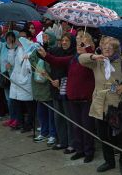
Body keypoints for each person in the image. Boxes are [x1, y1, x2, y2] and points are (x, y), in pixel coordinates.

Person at [38, 32, 96, 162]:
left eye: (82, 43)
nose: (79, 45)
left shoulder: (89, 57)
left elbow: (90, 54)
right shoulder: (73, 58)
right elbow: (57, 61)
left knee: (87, 127)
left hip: (86, 98)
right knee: (76, 125)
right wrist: (45, 55)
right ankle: (79, 149)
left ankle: (89, 152)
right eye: (77, 42)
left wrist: (86, 45)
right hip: (73, 98)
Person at [78, 37, 122, 174]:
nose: (107, 48)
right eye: (104, 46)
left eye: (110, 46)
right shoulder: (97, 62)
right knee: (103, 136)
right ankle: (109, 161)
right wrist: (94, 56)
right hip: (100, 104)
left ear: (116, 48)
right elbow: (81, 59)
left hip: (117, 105)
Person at [48, 33, 76, 152]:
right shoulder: (56, 51)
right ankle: (62, 141)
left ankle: (72, 143)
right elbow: (47, 56)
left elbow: (70, 72)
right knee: (58, 117)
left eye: (67, 40)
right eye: (62, 40)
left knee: (69, 117)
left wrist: (59, 80)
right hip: (55, 87)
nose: (64, 42)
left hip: (67, 89)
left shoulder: (74, 54)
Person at [31, 30, 57, 144]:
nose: (45, 38)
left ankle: (52, 134)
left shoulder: (54, 50)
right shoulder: (38, 48)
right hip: (38, 84)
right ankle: (44, 132)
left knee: (51, 113)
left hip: (49, 85)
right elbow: (32, 60)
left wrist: (45, 63)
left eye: (47, 36)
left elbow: (54, 65)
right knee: (41, 111)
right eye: (44, 36)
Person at [0, 31, 18, 127]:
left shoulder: (16, 48)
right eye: (8, 36)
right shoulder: (2, 46)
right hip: (4, 76)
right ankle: (12, 117)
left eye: (11, 37)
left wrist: (10, 64)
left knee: (13, 99)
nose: (9, 39)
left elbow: (16, 62)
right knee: (8, 99)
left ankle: (16, 118)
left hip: (14, 77)